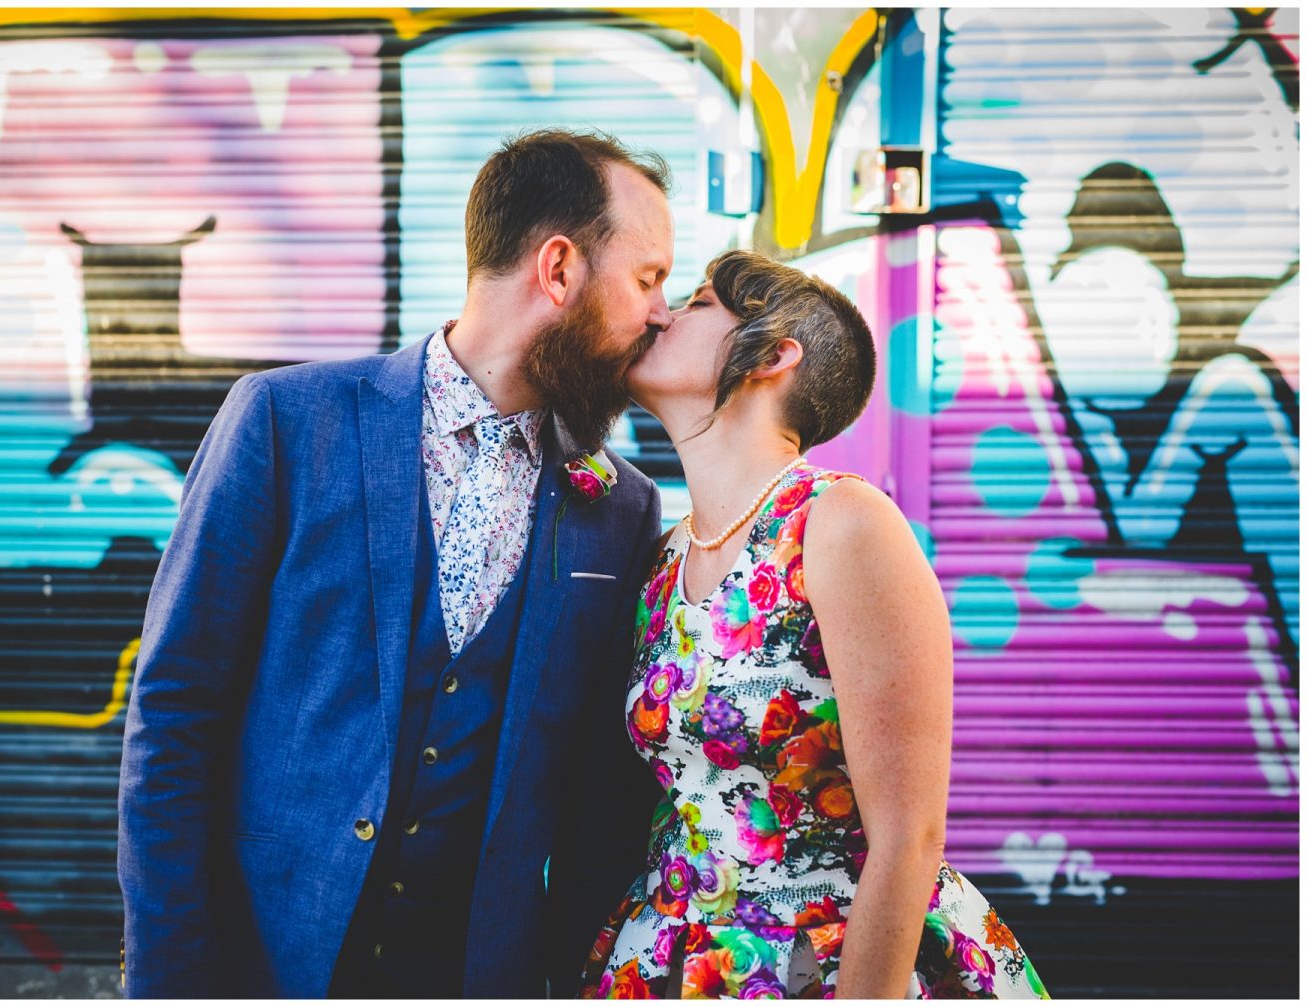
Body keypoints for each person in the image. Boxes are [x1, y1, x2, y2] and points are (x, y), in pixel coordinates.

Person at [117, 128, 673, 998]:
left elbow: (604, 794)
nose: (661, 314)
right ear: (559, 269)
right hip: (269, 956)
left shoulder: (623, 504)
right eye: (649, 279)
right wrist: (172, 979)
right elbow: (175, 713)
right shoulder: (283, 421)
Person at [577, 250, 1049, 999]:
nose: (662, 313)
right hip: (675, 957)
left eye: (698, 303)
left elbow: (911, 834)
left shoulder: (842, 523)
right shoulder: (664, 554)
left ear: (771, 354)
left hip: (828, 964)